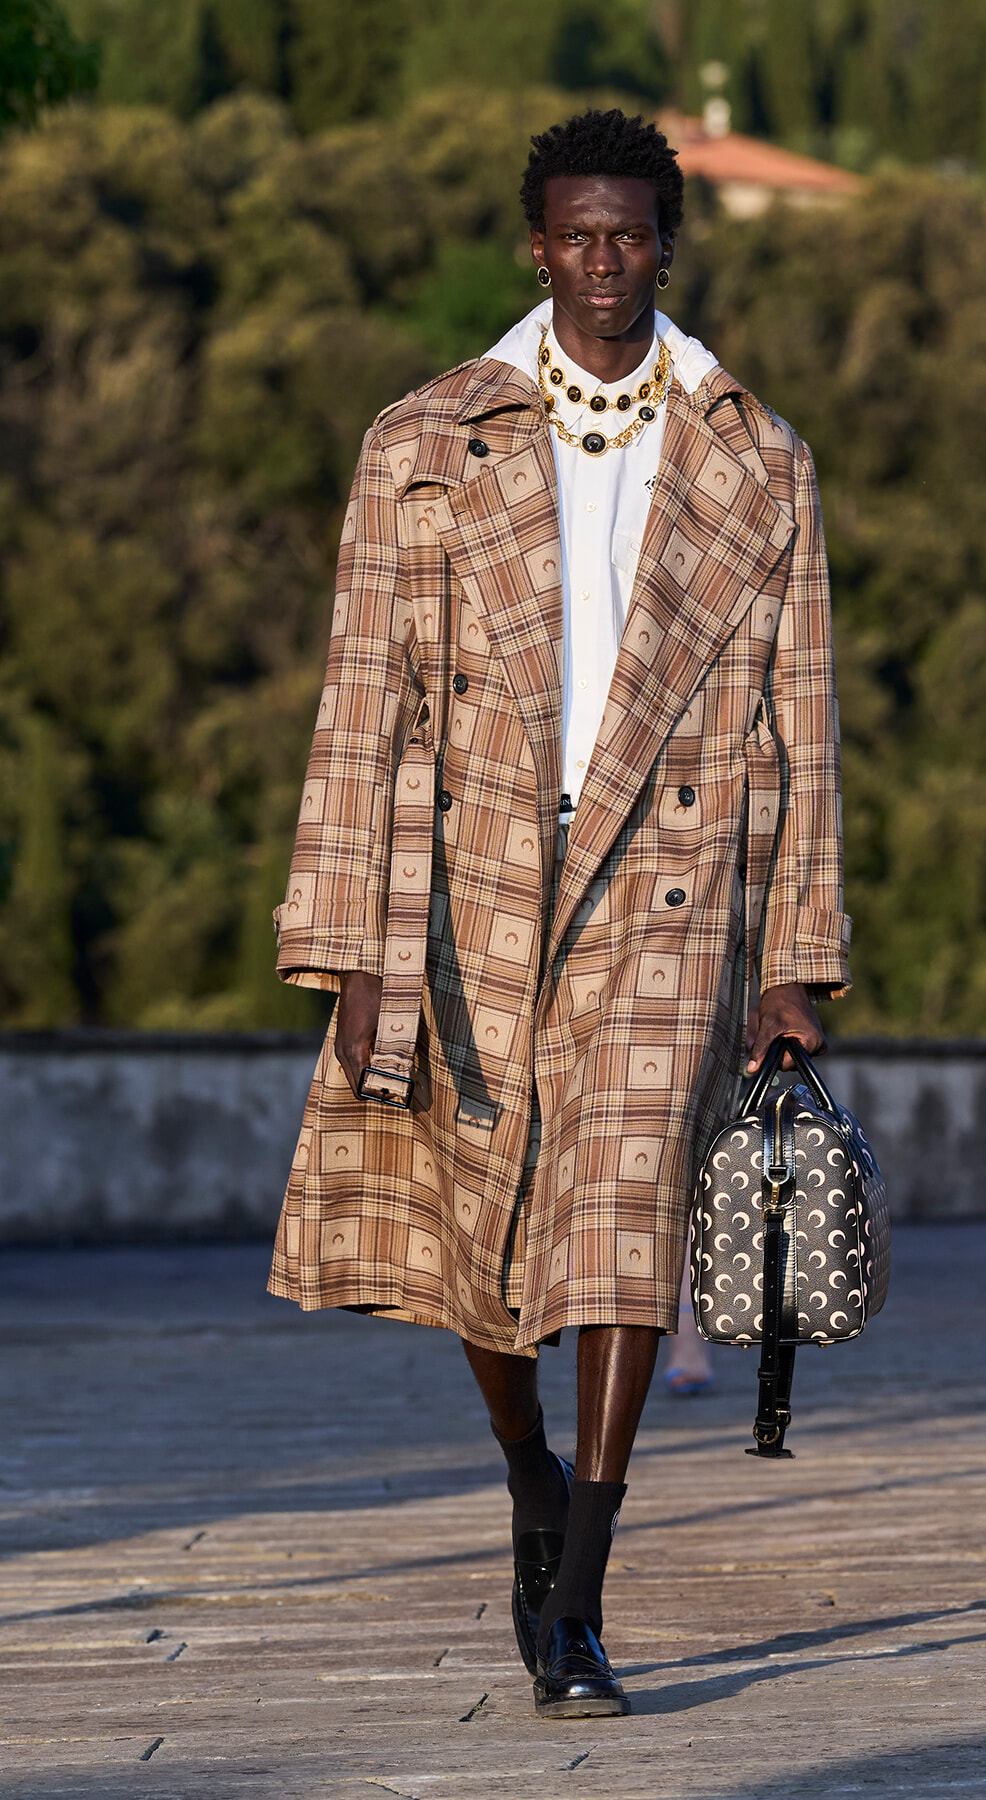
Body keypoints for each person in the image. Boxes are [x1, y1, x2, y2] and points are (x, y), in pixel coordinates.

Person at [268, 108, 850, 1720]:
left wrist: (795, 960)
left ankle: (581, 1594)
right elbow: (360, 699)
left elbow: (802, 720)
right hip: (466, 885)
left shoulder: (759, 457)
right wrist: (349, 944)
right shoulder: (425, 439)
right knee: (482, 1242)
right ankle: (529, 1470)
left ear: (669, 244)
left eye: (633, 236)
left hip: (671, 885)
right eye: (578, 237)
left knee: (619, 1228)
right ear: (539, 247)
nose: (606, 264)